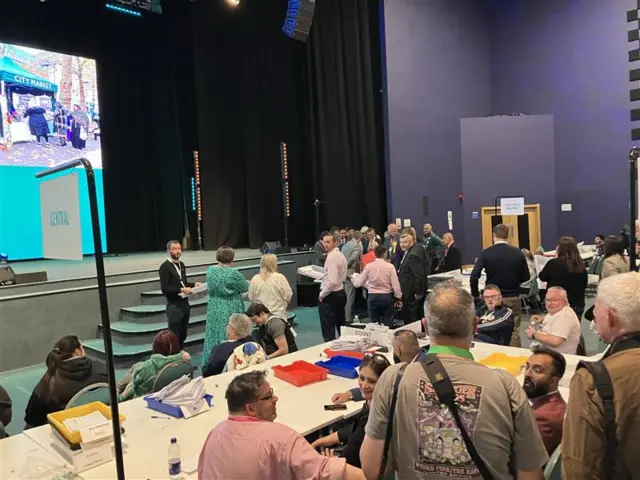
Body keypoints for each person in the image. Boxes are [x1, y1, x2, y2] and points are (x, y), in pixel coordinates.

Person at [360, 284, 548, 480]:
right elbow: (530, 475)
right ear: (475, 326)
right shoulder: (506, 386)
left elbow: (372, 469)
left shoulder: (393, 379)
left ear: (425, 325)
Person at [198, 371, 365, 480]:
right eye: (269, 396)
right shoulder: (280, 438)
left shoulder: (214, 434)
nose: (275, 399)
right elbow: (325, 471)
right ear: (250, 408)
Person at [563, 272, 640, 479]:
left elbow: (579, 468)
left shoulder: (592, 380)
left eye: (596, 309)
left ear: (612, 317)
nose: (593, 316)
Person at [311, 354, 391, 468]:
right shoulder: (372, 402)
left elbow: (352, 456)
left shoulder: (376, 416)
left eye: (372, 381)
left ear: (384, 383)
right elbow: (353, 430)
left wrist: (333, 463)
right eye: (362, 378)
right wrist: (318, 442)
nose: (364, 385)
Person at [25, 336, 108, 428]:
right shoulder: (103, 369)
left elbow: (32, 417)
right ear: (77, 352)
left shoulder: (49, 381)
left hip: (65, 428)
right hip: (98, 422)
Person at [470, 224, 530, 347]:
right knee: (514, 330)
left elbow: (474, 276)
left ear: (493, 236)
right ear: (508, 236)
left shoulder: (486, 253)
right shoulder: (518, 253)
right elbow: (526, 277)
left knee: (491, 327)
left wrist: (476, 294)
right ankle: (514, 357)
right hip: (512, 295)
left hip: (491, 297)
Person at [332, 330, 426, 405]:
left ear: (397, 350)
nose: (364, 385)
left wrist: (352, 394)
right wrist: (351, 393)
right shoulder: (425, 359)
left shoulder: (414, 374)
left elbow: (387, 389)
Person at [203, 247, 249, 365]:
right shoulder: (233, 274)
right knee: (231, 332)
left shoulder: (210, 271)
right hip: (230, 306)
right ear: (231, 258)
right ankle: (230, 361)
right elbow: (244, 287)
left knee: (213, 333)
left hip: (214, 306)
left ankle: (212, 361)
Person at [118, 330, 191, 401]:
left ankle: (117, 389)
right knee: (137, 366)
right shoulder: (184, 361)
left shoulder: (148, 367)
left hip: (145, 400)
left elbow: (136, 386)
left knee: (135, 369)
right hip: (172, 396)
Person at [522, 346, 567, 455]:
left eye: (537, 370)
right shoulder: (557, 404)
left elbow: (524, 457)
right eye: (527, 367)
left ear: (553, 381)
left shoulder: (543, 418)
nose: (527, 374)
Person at [159, 240, 197, 349]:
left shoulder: (181, 264)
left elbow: (182, 282)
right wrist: (181, 289)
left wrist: (194, 284)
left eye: (179, 248)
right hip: (174, 305)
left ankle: (181, 356)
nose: (177, 251)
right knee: (174, 335)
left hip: (185, 304)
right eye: (174, 249)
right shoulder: (165, 267)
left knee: (183, 333)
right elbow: (165, 289)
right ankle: (175, 358)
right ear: (168, 251)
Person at [352, 244, 402, 326]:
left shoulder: (368, 266)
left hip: (373, 297)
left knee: (373, 323)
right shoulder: (390, 267)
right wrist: (399, 297)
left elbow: (358, 284)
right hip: (386, 297)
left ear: (374, 254)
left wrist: (354, 279)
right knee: (387, 323)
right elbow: (396, 285)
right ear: (385, 253)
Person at [538, 236, 587, 319]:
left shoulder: (553, 263)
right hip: (576, 303)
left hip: (557, 304)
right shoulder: (580, 264)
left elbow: (542, 277)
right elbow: (584, 284)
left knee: (557, 329)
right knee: (574, 329)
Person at [526, 287, 582, 354]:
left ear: (565, 301)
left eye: (554, 300)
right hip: (549, 352)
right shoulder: (558, 310)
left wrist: (533, 334)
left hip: (557, 357)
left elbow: (555, 341)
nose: (549, 303)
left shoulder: (565, 317)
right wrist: (542, 318)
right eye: (547, 300)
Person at [318, 232, 348, 341]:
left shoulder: (332, 257)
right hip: (340, 292)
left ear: (335, 242)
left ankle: (330, 352)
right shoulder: (340, 255)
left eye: (328, 242)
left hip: (330, 295)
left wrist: (322, 294)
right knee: (341, 325)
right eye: (324, 242)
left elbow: (332, 281)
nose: (326, 244)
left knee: (328, 330)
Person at [248, 253, 293, 318]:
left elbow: (251, 298)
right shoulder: (280, 277)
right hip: (278, 315)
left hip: (261, 316)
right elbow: (288, 296)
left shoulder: (255, 279)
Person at [397, 233, 427, 323]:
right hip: (407, 292)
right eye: (401, 242)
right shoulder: (407, 252)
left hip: (411, 293)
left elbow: (419, 275)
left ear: (411, 243)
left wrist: (417, 292)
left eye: (405, 242)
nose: (402, 244)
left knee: (412, 318)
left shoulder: (412, 255)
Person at [341, 231, 364, 323]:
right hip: (351, 274)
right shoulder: (357, 246)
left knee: (347, 295)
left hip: (344, 273)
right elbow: (353, 259)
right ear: (359, 238)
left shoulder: (345, 245)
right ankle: (348, 318)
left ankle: (346, 316)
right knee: (350, 297)